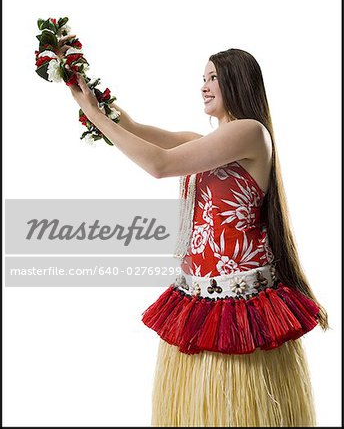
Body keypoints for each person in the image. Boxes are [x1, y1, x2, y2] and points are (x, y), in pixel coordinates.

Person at [61, 39, 329, 426]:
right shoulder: (204, 143)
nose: (203, 86)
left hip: (238, 297)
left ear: (237, 81)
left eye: (213, 78)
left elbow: (159, 164)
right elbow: (135, 129)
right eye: (202, 78)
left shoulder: (250, 132)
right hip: (199, 291)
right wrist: (90, 94)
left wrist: (94, 115)